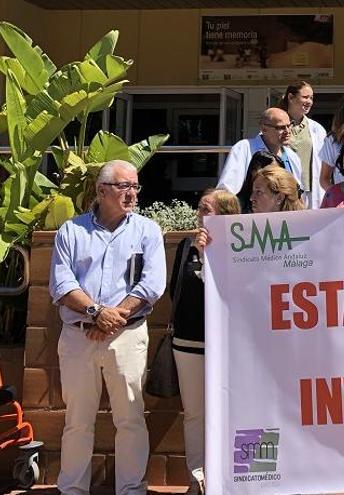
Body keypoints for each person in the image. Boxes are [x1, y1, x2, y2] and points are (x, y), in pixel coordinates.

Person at [49, 160, 166, 495]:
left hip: (127, 336)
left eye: (135, 187)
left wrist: (112, 318)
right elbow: (61, 283)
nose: (131, 194)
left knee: (130, 419)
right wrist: (96, 312)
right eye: (123, 186)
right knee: (77, 422)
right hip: (78, 337)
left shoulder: (147, 230)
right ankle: (72, 490)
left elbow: (152, 284)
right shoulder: (71, 231)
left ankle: (131, 490)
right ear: (101, 191)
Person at [170, 188, 240, 495]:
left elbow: (234, 294)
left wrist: (208, 257)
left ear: (225, 215)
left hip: (227, 347)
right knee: (195, 414)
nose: (200, 215)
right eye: (199, 209)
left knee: (229, 412)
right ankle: (197, 477)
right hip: (188, 341)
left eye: (207, 210)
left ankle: (225, 477)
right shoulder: (186, 246)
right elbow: (176, 291)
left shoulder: (239, 247)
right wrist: (198, 254)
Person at [217, 108, 303, 200]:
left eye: (289, 125)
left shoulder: (292, 156)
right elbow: (227, 189)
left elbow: (298, 194)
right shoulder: (244, 148)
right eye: (281, 127)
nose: (288, 131)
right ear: (264, 129)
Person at [280, 81, 327, 208]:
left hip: (310, 191)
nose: (309, 101)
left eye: (311, 98)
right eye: (305, 97)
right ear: (290, 97)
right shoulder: (275, 126)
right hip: (284, 190)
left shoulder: (317, 129)